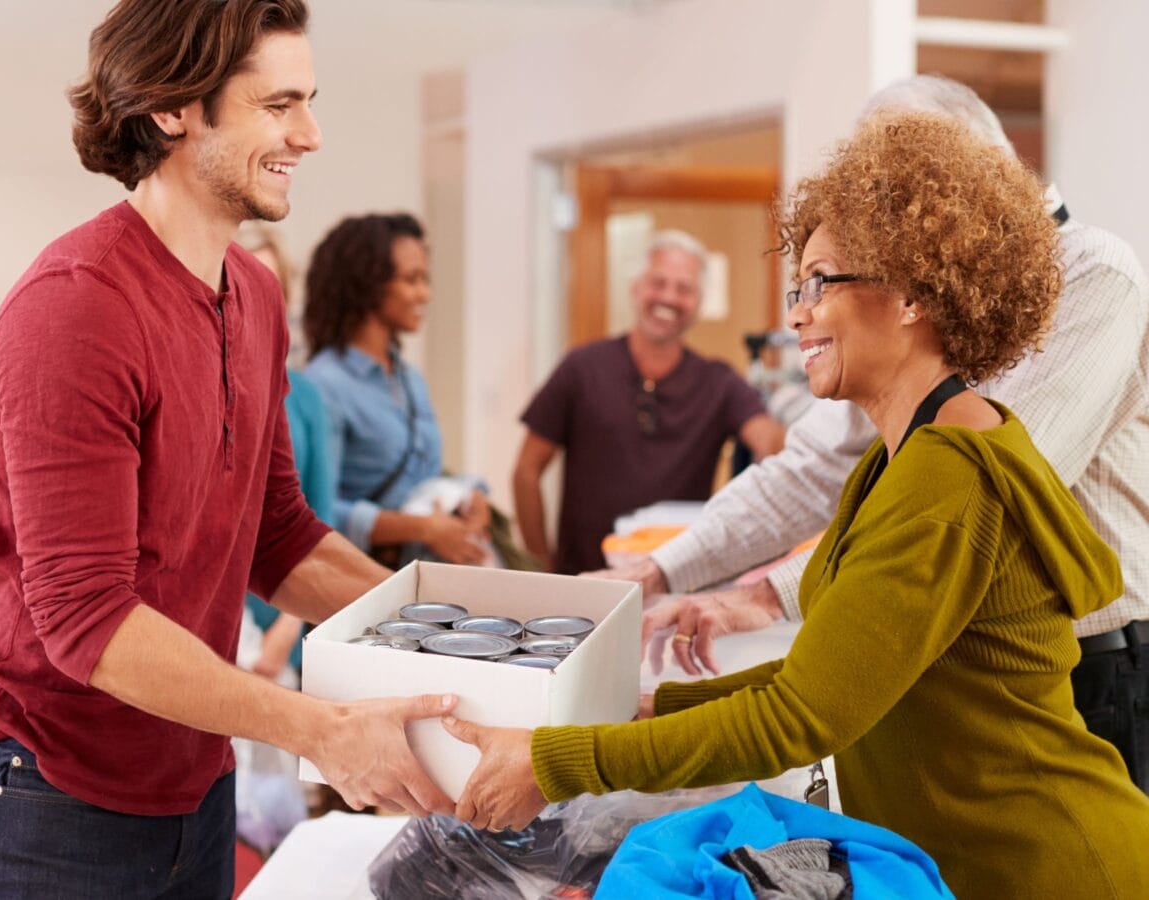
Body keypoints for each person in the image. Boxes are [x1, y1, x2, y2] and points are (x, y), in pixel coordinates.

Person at [444, 113, 1149, 899]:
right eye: (798, 285)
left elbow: (797, 716)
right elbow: (825, 675)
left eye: (822, 282)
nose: (798, 313)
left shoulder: (947, 477)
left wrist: (557, 764)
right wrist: (646, 710)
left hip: (1050, 867)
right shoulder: (905, 456)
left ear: (913, 291)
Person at [0, 3, 454, 897]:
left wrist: (452, 626)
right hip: (47, 800)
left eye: (309, 101)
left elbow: (277, 535)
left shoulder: (252, 292)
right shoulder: (77, 307)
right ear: (175, 109)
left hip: (194, 780)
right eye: (278, 104)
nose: (311, 134)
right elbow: (85, 618)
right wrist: (318, 728)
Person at [608, 76, 1149, 792]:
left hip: (1096, 662)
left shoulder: (1091, 271)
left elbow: (980, 495)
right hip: (960, 658)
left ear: (982, 167)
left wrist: (773, 595)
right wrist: (659, 573)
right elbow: (812, 468)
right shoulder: (907, 315)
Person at [513, 230, 785, 575]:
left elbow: (769, 441)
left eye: (684, 288)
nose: (669, 297)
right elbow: (526, 471)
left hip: (678, 585)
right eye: (658, 282)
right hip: (584, 583)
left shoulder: (720, 382)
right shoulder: (581, 368)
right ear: (636, 288)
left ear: (699, 303)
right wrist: (540, 568)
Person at [303, 212, 492, 567]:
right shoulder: (324, 385)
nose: (426, 293)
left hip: (428, 574)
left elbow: (424, 480)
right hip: (367, 579)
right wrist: (420, 529)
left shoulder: (410, 379)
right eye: (412, 279)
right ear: (368, 283)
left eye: (426, 278)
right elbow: (314, 510)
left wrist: (470, 498)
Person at [234, 221, 332, 684]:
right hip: (198, 635)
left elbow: (315, 525)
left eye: (267, 284)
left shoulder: (307, 398)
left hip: (281, 624)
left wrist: (285, 634)